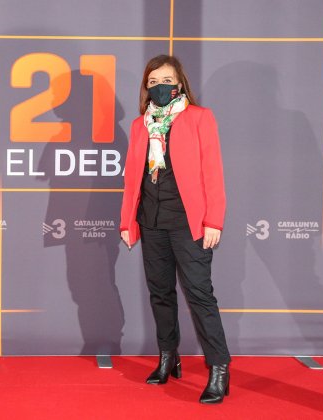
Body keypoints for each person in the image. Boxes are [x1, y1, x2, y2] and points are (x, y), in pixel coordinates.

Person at [120, 55, 230, 404]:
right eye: (153, 82)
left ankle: (219, 367)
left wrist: (213, 220)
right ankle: (168, 357)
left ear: (179, 84)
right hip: (151, 221)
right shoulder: (140, 125)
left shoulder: (199, 117)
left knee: (199, 294)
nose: (159, 86)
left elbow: (212, 171)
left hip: (188, 222)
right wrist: (127, 222)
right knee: (161, 293)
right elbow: (132, 178)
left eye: (166, 80)